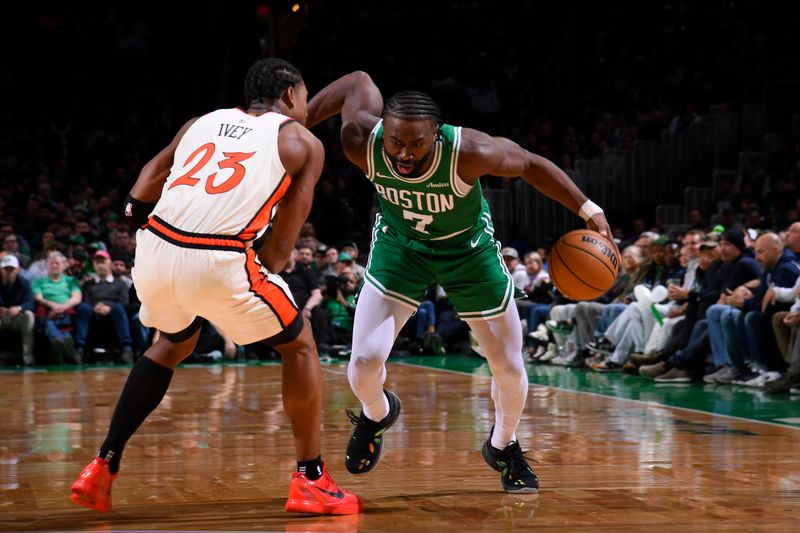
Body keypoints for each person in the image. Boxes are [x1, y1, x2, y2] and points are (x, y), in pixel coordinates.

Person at [69, 58, 360, 516]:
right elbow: (282, 248)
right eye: (304, 98)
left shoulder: (200, 122)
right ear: (289, 96)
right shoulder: (300, 141)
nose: (306, 109)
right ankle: (311, 479)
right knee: (300, 345)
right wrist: (229, 281)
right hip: (221, 255)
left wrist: (155, 237)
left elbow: (146, 181)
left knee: (171, 344)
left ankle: (102, 465)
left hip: (154, 248)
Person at [305, 72, 615, 493]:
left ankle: (503, 445)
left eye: (417, 143)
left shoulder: (469, 151)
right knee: (361, 365)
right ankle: (377, 413)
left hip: (469, 253)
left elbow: (529, 163)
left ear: (437, 135)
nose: (404, 153)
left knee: (507, 366)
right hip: (402, 247)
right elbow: (356, 82)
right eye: (396, 141)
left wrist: (589, 209)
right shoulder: (362, 137)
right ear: (384, 131)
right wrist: (291, 124)